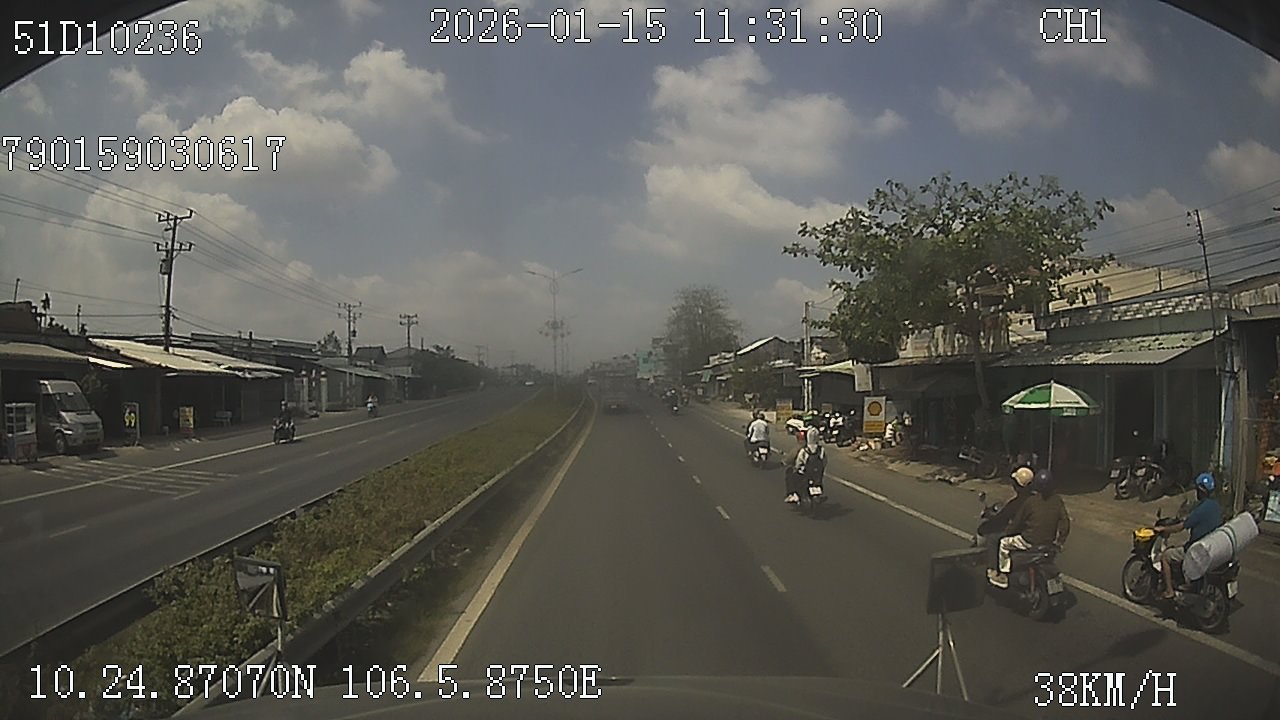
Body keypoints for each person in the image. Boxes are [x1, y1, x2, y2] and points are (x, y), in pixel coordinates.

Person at [988, 468, 1070, 588]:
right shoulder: (1057, 500)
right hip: (1048, 543)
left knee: (1003, 543)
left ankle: (1003, 575)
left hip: (1029, 541)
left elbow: (1017, 522)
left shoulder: (1030, 502)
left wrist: (1007, 532)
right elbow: (1065, 524)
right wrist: (1060, 542)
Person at [1156, 472, 1223, 600]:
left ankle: (1169, 591)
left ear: (1201, 491)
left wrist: (1164, 528)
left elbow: (1181, 527)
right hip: (1210, 547)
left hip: (1195, 549)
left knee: (1166, 556)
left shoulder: (1201, 509)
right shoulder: (1215, 506)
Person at [782, 418, 807, 503]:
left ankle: (792, 494)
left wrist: (787, 460)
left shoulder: (801, 435)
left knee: (790, 472)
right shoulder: (808, 433)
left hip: (804, 460)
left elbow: (798, 448)